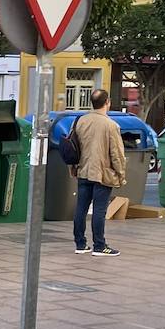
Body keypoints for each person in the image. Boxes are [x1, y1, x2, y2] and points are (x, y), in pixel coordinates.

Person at [72, 89, 127, 258]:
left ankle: (80, 244)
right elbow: (116, 153)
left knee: (81, 208)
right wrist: (121, 174)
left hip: (84, 169)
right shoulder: (111, 125)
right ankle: (99, 245)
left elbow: (75, 146)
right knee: (99, 209)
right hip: (103, 173)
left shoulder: (81, 121)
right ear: (107, 102)